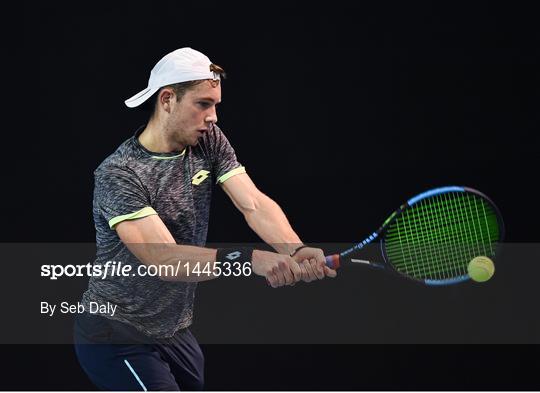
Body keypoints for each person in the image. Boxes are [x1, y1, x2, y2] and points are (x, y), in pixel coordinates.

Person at [74, 47, 336, 391]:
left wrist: (294, 247)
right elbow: (162, 258)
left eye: (215, 105)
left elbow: (253, 203)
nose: (212, 117)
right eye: (203, 104)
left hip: (175, 329)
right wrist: (249, 260)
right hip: (116, 331)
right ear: (167, 99)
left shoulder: (208, 141)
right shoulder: (120, 173)